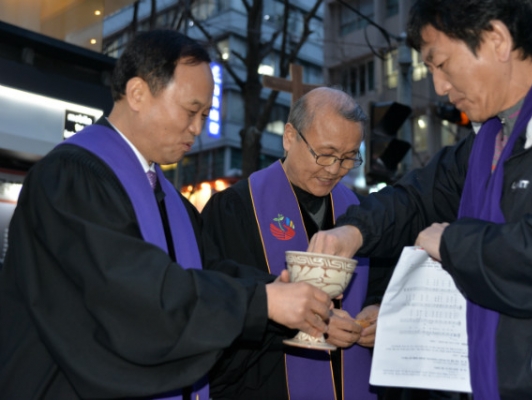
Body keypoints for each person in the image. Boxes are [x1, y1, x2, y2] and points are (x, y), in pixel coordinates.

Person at [0, 29, 333, 400]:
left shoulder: (169, 199)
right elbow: (133, 293)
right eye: (191, 111)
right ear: (138, 93)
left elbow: (207, 272)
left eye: (205, 114)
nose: (198, 128)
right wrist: (263, 303)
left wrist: (283, 294)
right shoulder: (71, 177)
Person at [307, 0, 532, 399]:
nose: (440, 87)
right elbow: (416, 196)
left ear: (496, 39)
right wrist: (353, 232)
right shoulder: (489, 139)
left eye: (440, 63)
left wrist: (451, 243)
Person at [201, 87, 386, 400]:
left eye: (347, 158)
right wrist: (311, 326)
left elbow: (379, 282)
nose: (333, 170)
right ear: (289, 137)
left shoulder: (358, 215)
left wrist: (375, 313)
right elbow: (220, 302)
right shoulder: (235, 208)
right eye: (325, 154)